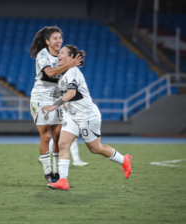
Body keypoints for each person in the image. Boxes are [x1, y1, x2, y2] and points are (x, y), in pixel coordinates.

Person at [42, 45, 132, 190]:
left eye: (63, 52)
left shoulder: (73, 71)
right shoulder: (62, 74)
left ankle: (124, 160)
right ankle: (63, 181)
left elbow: (71, 93)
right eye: (59, 52)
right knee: (62, 145)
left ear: (71, 58)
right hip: (72, 117)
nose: (59, 54)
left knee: (95, 148)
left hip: (88, 116)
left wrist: (55, 105)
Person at [29, 26, 82, 183]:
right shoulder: (43, 55)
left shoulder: (62, 56)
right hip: (41, 98)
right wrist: (70, 65)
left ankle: (58, 172)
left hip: (55, 100)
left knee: (58, 137)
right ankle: (48, 172)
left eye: (60, 37)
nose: (58, 40)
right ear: (47, 41)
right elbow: (50, 73)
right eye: (55, 38)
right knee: (45, 136)